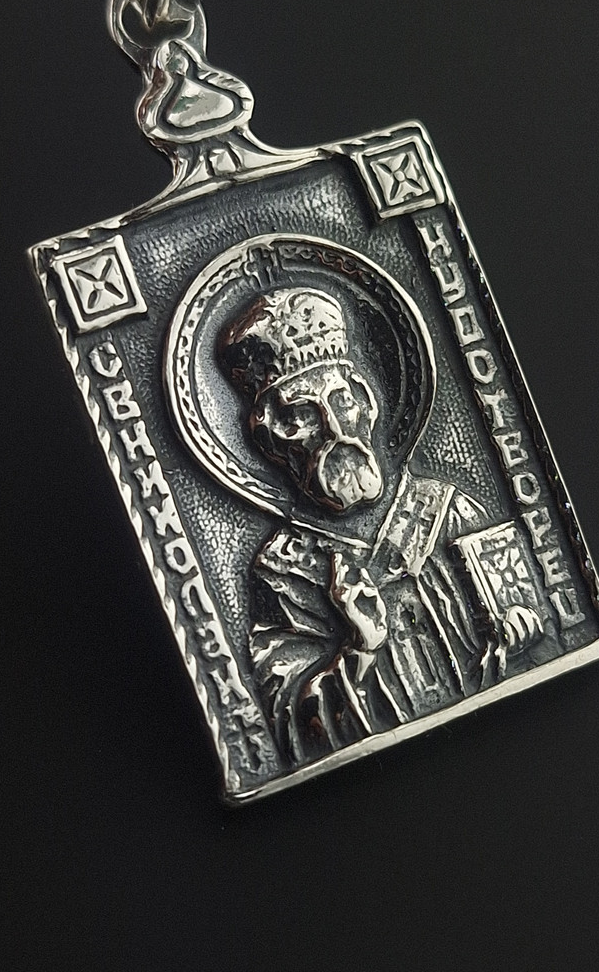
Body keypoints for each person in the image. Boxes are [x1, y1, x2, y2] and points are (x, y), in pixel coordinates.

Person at [219, 286, 545, 764]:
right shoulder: (284, 572)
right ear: (271, 441)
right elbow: (291, 728)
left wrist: (520, 625)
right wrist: (361, 647)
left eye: (341, 401)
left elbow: (524, 605)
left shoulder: (446, 509)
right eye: (303, 415)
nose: (334, 430)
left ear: (366, 404)